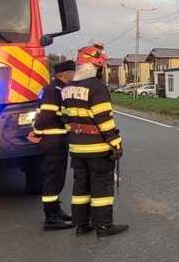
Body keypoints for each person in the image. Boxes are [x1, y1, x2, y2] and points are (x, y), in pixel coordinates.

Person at [61, 43, 129, 238]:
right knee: (102, 187)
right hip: (97, 148)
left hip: (76, 148)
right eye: (101, 67)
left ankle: (81, 225)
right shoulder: (97, 87)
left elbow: (65, 118)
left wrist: (74, 137)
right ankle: (105, 226)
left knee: (80, 186)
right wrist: (115, 143)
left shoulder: (68, 88)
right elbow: (104, 119)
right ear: (96, 66)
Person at [28, 60, 76, 231]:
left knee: (57, 178)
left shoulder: (56, 89)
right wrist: (37, 132)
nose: (74, 76)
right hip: (53, 140)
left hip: (57, 139)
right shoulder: (54, 91)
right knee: (53, 179)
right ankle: (51, 218)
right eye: (72, 73)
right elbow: (45, 116)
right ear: (64, 75)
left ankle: (56, 210)